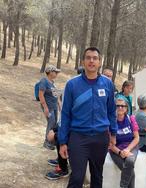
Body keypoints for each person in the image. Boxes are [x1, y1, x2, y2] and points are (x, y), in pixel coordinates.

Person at [58, 47, 117, 188]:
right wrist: (62, 142)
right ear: (83, 61)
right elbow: (65, 114)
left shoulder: (107, 84)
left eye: (95, 58)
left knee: (97, 177)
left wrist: (113, 133)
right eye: (88, 58)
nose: (91, 61)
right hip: (78, 138)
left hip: (100, 137)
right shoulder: (72, 84)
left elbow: (111, 111)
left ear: (100, 62)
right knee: (77, 178)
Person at [109, 97, 139, 188]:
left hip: (131, 146)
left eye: (123, 106)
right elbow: (110, 144)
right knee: (131, 173)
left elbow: (137, 138)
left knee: (129, 162)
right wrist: (120, 152)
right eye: (117, 106)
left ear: (126, 108)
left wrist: (127, 149)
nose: (120, 108)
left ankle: (123, 186)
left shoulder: (131, 119)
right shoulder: (109, 122)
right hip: (116, 149)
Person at [39, 64, 61, 150]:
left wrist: (59, 105)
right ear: (50, 72)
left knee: (54, 124)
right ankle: (47, 142)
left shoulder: (52, 83)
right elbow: (41, 95)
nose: (57, 74)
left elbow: (56, 95)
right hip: (49, 107)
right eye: (55, 72)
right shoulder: (44, 81)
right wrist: (45, 108)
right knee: (51, 123)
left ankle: (52, 141)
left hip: (54, 107)